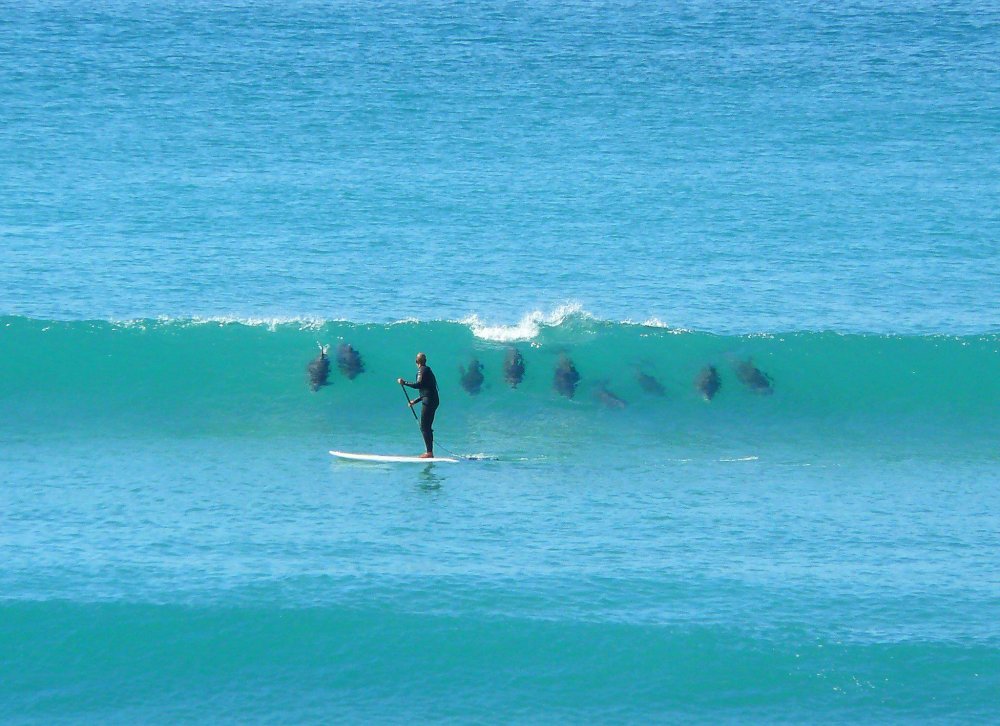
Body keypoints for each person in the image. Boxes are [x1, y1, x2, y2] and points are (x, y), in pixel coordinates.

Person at [397, 352, 440, 458]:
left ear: (417, 362)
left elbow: (419, 385)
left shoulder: (422, 370)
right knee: (426, 426)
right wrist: (414, 401)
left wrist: (404, 382)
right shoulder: (428, 371)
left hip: (429, 401)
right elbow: (426, 390)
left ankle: (429, 453)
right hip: (432, 399)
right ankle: (429, 451)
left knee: (424, 427)